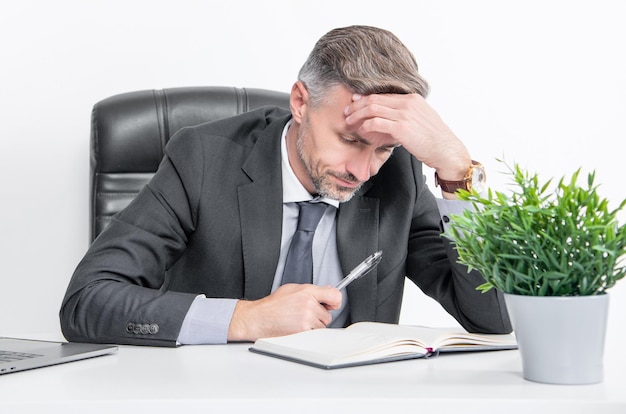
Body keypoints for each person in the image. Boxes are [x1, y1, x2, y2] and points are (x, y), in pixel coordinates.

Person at [60, 25, 511, 347]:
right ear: (300, 102)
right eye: (349, 140)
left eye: (383, 149)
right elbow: (88, 300)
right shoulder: (203, 158)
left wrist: (457, 175)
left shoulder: (401, 175)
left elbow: (493, 318)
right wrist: (247, 317)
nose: (363, 170)